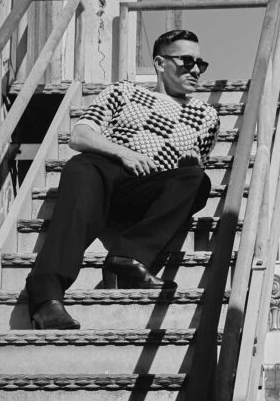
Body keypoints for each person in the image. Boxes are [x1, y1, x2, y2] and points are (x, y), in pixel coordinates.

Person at [25, 29, 219, 329]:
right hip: (106, 175)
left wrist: (192, 164)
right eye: (186, 62)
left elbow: (196, 164)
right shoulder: (124, 91)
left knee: (197, 181)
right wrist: (123, 154)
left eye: (200, 64)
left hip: (150, 189)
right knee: (80, 166)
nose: (195, 70)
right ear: (159, 62)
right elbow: (80, 135)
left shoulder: (206, 115)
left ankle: (127, 259)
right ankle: (47, 299)